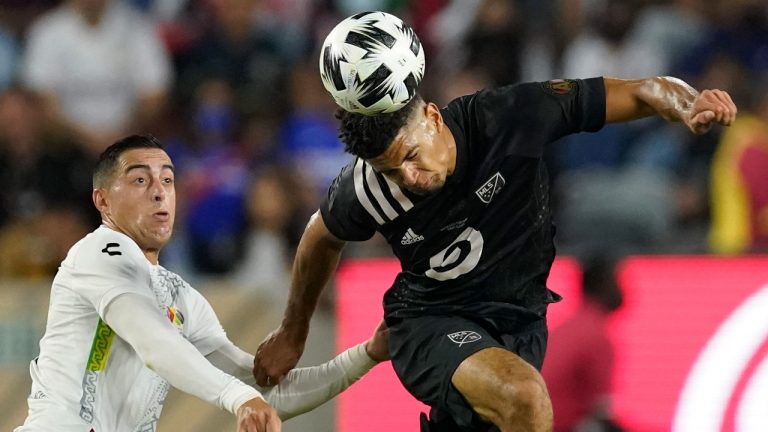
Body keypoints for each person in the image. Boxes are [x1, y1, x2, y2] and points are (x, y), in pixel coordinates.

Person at [253, 76, 737, 431]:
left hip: (519, 323)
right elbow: (321, 234)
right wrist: (294, 330)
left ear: (434, 117)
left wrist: (688, 102)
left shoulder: (511, 116)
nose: (411, 178)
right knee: (524, 397)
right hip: (429, 321)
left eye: (412, 157)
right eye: (394, 172)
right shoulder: (370, 186)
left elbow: (639, 90)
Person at [14, 135, 390, 432]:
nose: (159, 191)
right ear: (103, 201)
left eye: (167, 179)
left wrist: (366, 355)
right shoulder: (97, 253)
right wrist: (238, 396)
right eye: (140, 180)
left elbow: (264, 391)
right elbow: (152, 340)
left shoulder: (179, 296)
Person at [542, 257, 624, 432]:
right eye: (617, 281)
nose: (623, 289)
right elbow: (600, 411)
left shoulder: (570, 328)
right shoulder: (595, 336)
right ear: (602, 287)